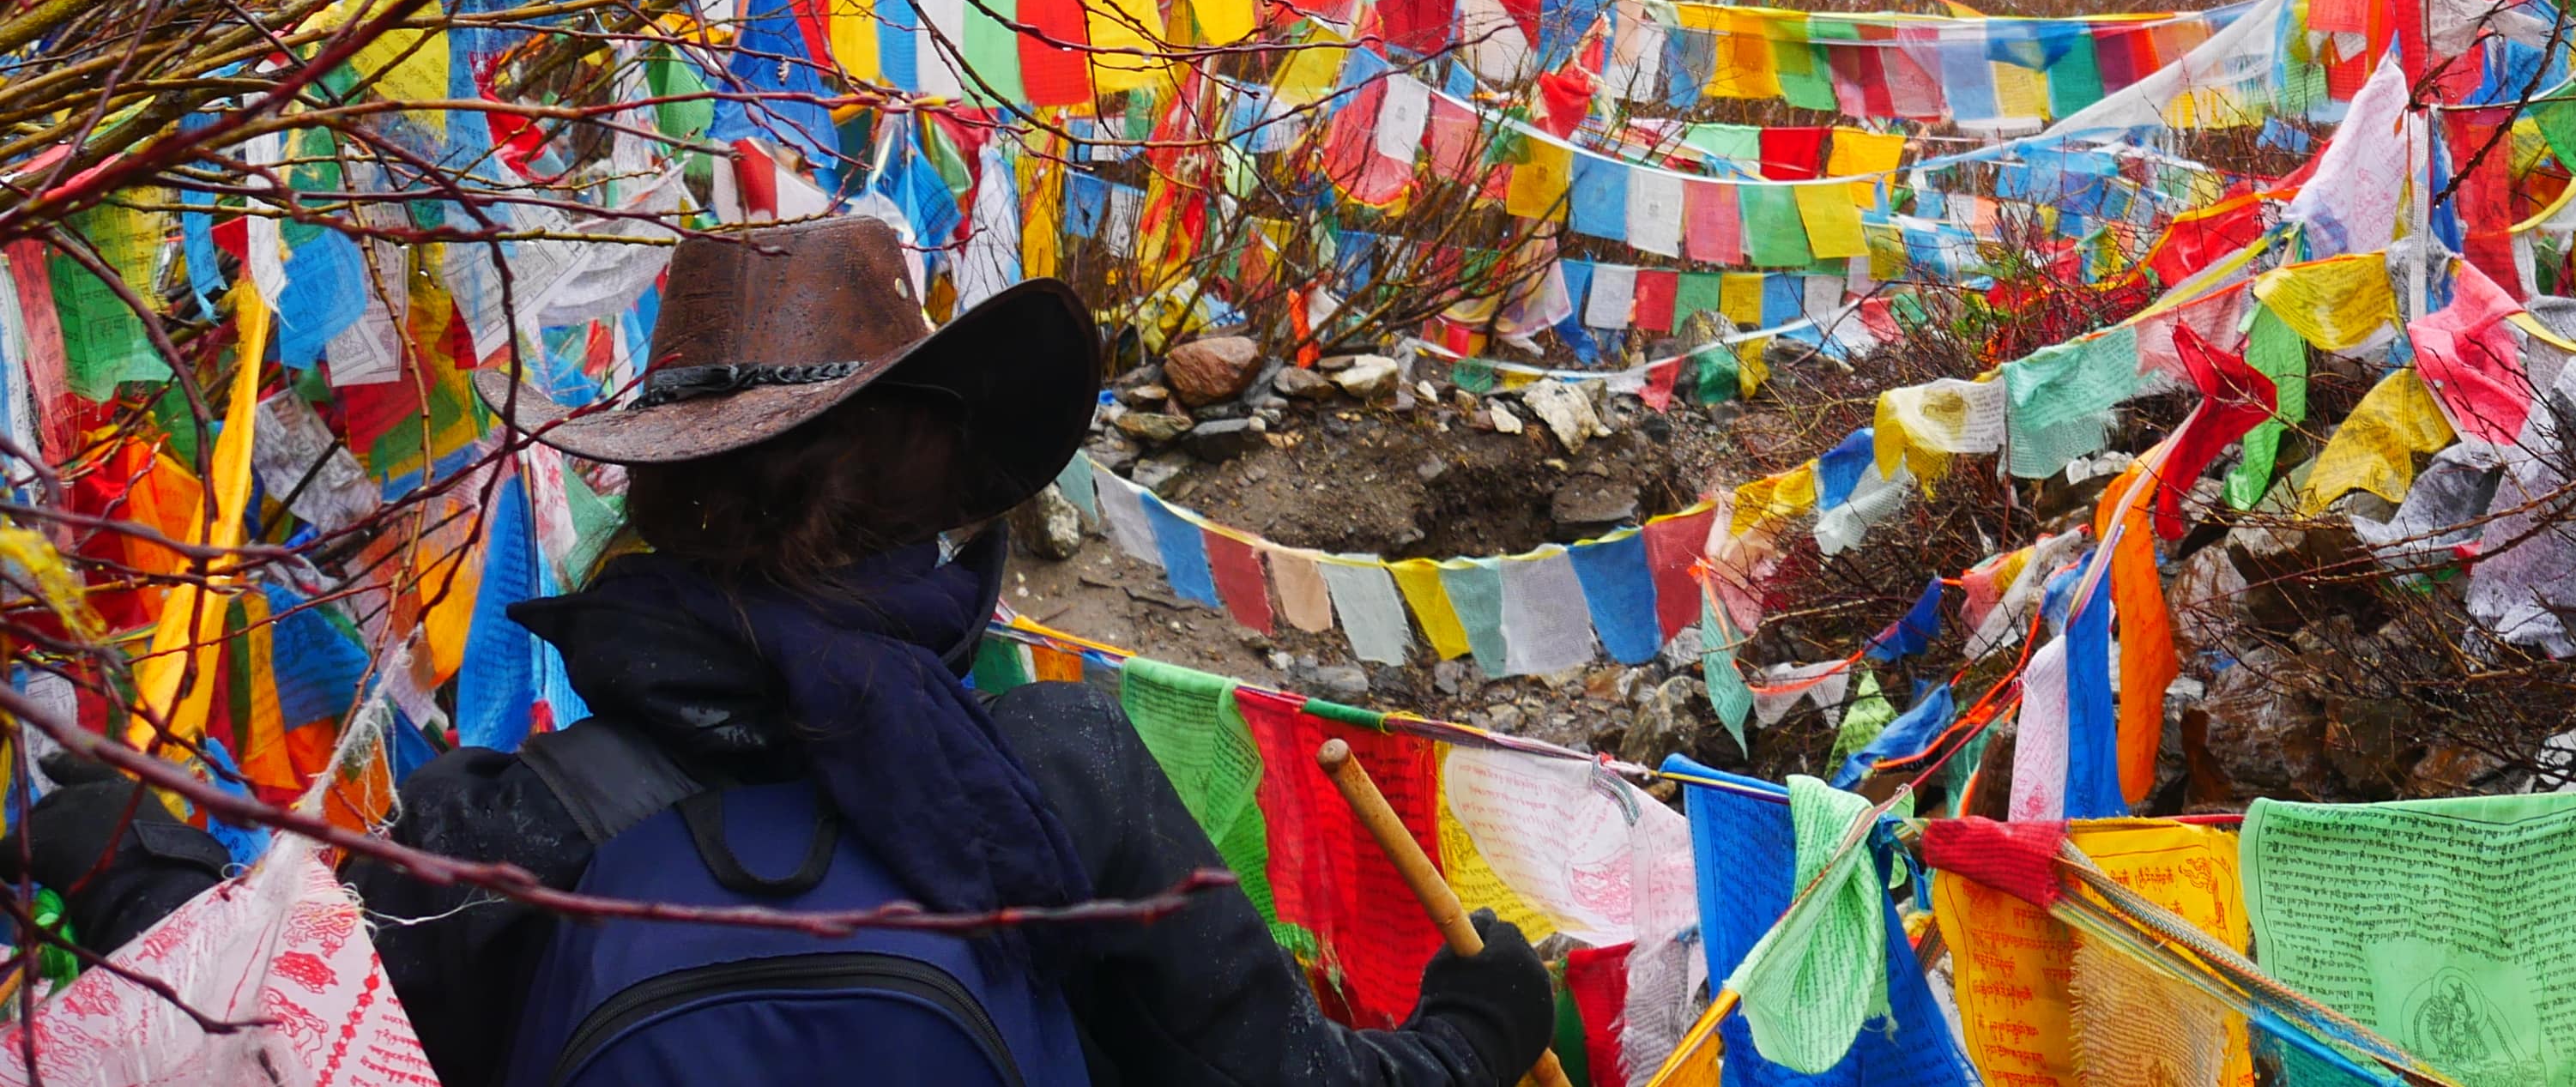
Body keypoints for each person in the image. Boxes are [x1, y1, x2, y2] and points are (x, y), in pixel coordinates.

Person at [12, 219, 1557, 1087]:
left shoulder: (522, 825)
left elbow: (266, 1027)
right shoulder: (1061, 784)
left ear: (661, 496)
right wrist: (1478, 1028)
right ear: (947, 485)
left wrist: (117, 853)